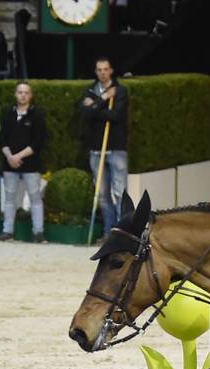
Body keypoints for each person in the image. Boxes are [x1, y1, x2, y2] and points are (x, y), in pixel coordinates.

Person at [79, 56, 129, 239]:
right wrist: (103, 99)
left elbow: (116, 116)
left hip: (115, 148)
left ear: (111, 71)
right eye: (99, 70)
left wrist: (94, 108)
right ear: (96, 72)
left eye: (105, 69)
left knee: (119, 193)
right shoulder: (90, 91)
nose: (102, 73)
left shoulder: (120, 91)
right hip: (96, 149)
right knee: (102, 195)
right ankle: (108, 232)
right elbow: (84, 114)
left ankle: (122, 233)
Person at [0, 81, 47, 243]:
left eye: (26, 92)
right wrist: (10, 157)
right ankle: (8, 231)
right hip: (9, 164)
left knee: (35, 198)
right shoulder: (7, 114)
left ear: (30, 95)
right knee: (9, 198)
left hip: (31, 165)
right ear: (15, 94)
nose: (23, 95)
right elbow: (1, 139)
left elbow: (38, 142)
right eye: (20, 92)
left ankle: (38, 232)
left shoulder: (38, 115)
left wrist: (18, 157)